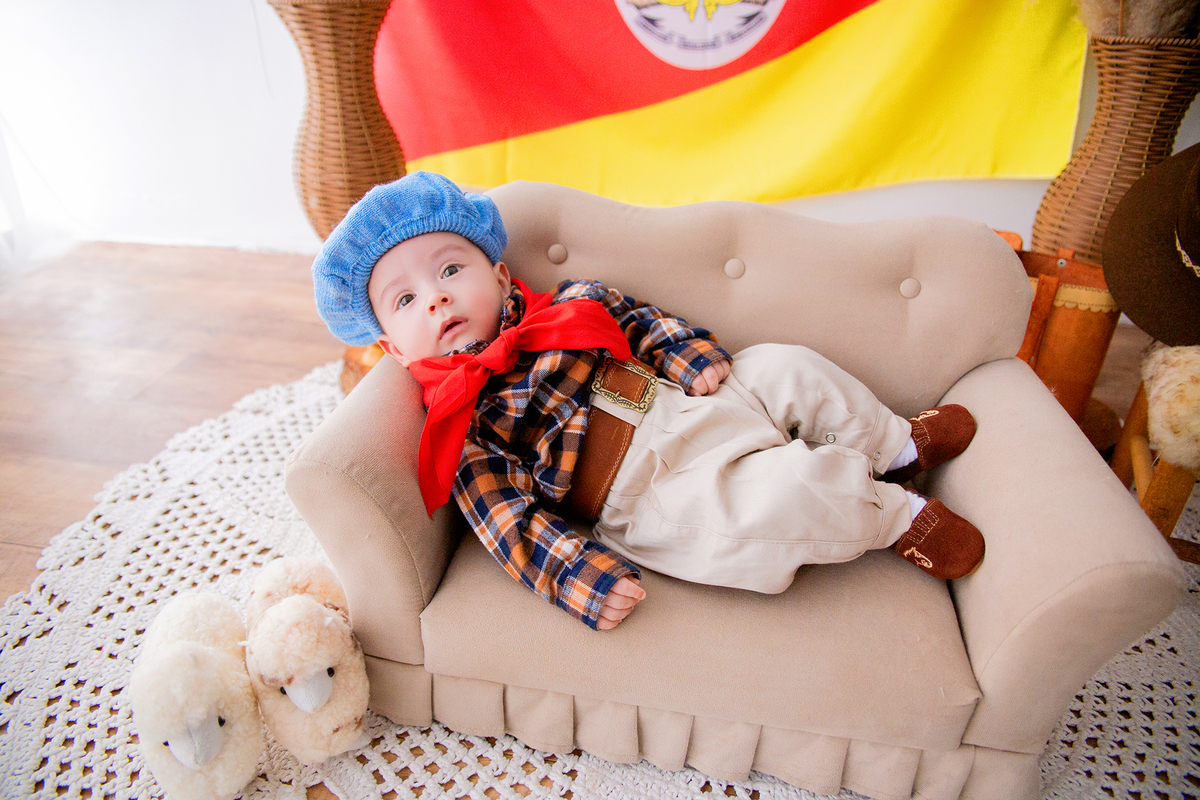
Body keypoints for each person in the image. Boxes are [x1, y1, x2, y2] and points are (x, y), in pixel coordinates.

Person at [311, 171, 985, 631]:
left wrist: (690, 357)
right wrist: (582, 579)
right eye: (405, 300)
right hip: (646, 491)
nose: (435, 296)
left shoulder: (572, 303)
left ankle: (894, 442)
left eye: (450, 269)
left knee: (788, 368)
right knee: (774, 503)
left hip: (685, 402)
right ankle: (899, 517)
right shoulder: (467, 434)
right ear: (395, 350)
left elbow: (640, 321)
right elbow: (511, 525)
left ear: (499, 273)